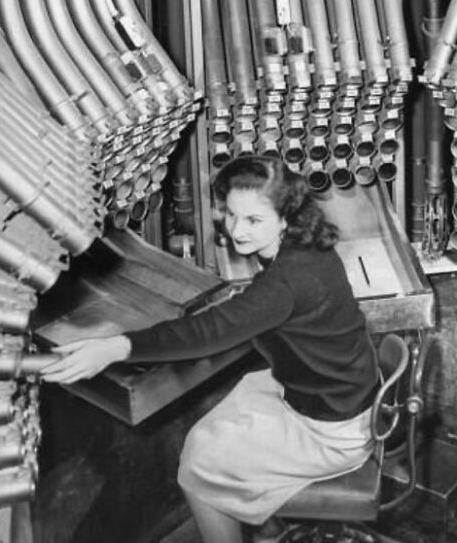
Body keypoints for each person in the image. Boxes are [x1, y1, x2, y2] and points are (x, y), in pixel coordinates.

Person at [41, 155, 379, 543]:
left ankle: (250, 523)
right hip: (342, 395)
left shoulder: (286, 281)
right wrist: (241, 307)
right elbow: (257, 310)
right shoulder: (306, 247)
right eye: (231, 215)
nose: (237, 230)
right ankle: (267, 530)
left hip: (332, 428)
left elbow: (209, 331)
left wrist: (117, 346)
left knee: (197, 468)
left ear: (286, 217)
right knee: (226, 416)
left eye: (254, 220)